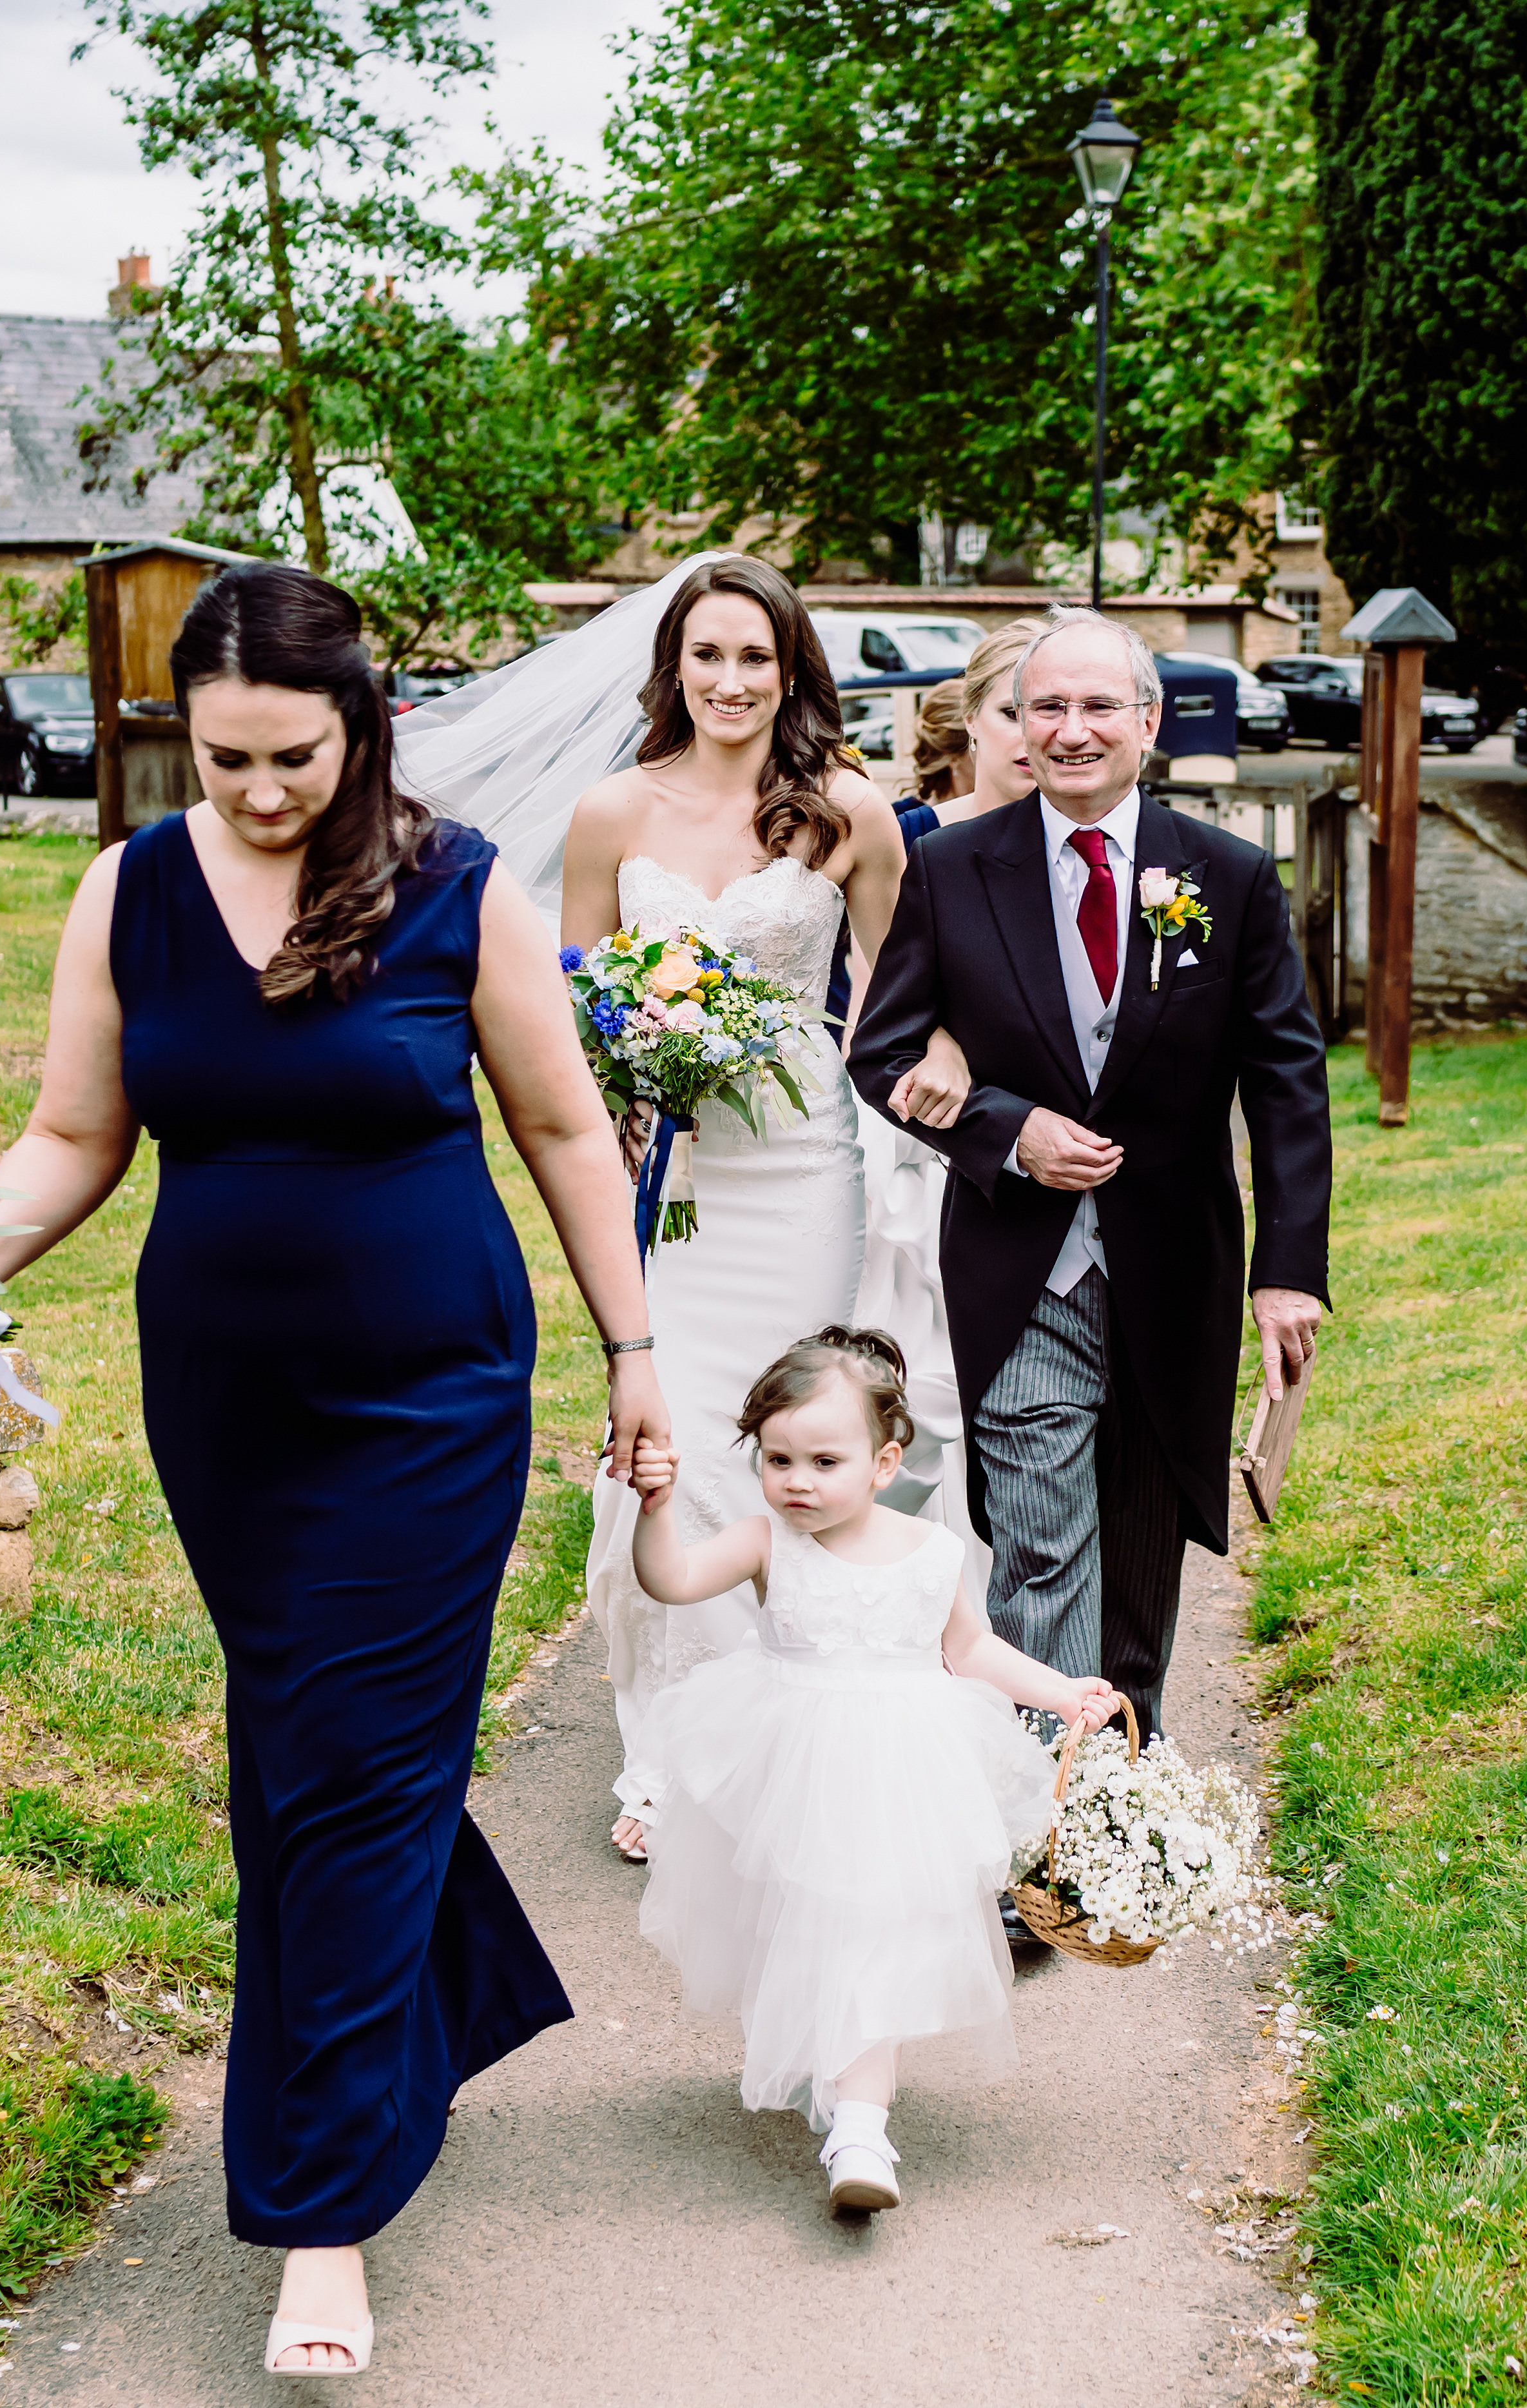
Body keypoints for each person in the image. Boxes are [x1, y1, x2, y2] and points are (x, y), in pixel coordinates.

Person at [0, 563, 669, 2378]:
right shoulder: (125, 889)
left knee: (349, 1777)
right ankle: (460, 1993)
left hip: (430, 1396)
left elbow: (562, 1125)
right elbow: (71, 1134)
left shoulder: (458, 885)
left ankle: (322, 2216)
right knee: (311, 1761)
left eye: (290, 756)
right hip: (225, 1405)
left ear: (360, 724)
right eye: (224, 763)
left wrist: (638, 1351)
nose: (261, 792)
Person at [845, 606, 1333, 1741]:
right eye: (1045, 707)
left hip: (1174, 1273)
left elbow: (1286, 1083)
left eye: (1097, 706)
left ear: (1148, 722)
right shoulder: (951, 868)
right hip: (1022, 1270)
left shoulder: (1230, 876)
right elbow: (882, 1050)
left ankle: (1128, 1771)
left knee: (1142, 1550)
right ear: (1015, 719)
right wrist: (1007, 1133)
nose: (1069, 730)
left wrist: (1287, 1271)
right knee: (1038, 1543)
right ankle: (1042, 1820)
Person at [558, 556, 910, 1865]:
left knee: (797, 1428)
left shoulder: (846, 814)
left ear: (790, 668)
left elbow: (899, 976)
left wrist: (862, 1073)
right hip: (678, 1178)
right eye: (706, 655)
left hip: (801, 1161)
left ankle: (791, 1723)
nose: (729, 681)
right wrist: (634, 1087)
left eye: (754, 657)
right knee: (678, 1446)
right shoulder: (610, 814)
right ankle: (667, 1749)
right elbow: (575, 1011)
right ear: (672, 667)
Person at [627, 1327, 1120, 2213]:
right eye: (778, 1460)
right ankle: (837, 2078)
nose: (798, 1482)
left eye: (824, 1460)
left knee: (872, 1932)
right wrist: (655, 1509)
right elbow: (672, 1580)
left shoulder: (930, 1554)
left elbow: (969, 1648)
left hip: (900, 1771)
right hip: (792, 1764)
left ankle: (861, 2127)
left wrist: (1060, 1690)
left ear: (884, 1462)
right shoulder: (763, 1541)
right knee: (810, 1928)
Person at [860, 618, 1047, 1522]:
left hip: (1038, 1141)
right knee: (912, 1363)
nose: (1032, 733)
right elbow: (871, 992)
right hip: (914, 1141)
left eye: (1047, 709)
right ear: (970, 721)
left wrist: (967, 1046)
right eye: (1012, 711)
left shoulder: (1095, 848)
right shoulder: (911, 839)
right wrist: (937, 1040)